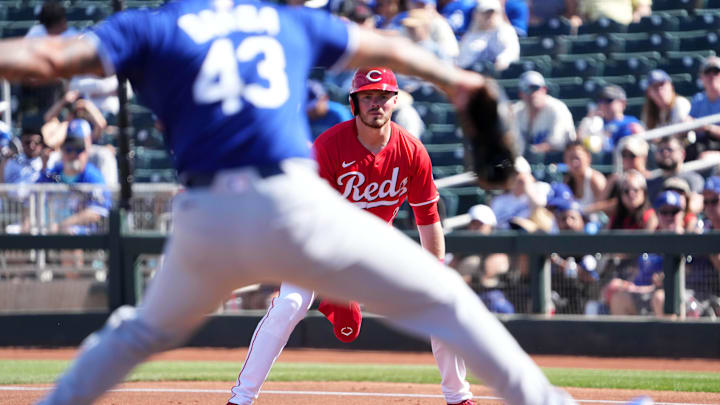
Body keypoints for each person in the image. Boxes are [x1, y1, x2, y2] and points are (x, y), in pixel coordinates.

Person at [0, 2, 583, 404]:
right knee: (445, 298)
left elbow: (48, 61)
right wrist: (460, 81)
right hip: (288, 202)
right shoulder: (282, 20)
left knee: (140, 332)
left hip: (206, 216)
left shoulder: (154, 25)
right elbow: (380, 44)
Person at [229, 67, 475, 405]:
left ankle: (459, 397)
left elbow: (428, 218)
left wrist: (436, 270)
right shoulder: (329, 146)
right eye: (368, 97)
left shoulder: (411, 150)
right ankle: (241, 398)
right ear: (353, 103)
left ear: (395, 101)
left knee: (442, 300)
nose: (376, 104)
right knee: (289, 304)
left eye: (384, 97)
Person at [513, 71, 576, 155]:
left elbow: (556, 145)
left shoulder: (557, 108)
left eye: (535, 88)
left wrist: (531, 150)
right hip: (529, 158)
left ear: (544, 90)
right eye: (526, 89)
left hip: (559, 159)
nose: (531, 93)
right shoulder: (517, 111)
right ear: (520, 94)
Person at [457, 0, 519, 72]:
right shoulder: (471, 34)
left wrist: (501, 61)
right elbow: (462, 61)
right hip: (473, 75)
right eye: (485, 13)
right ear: (477, 14)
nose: (489, 16)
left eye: (492, 13)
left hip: (500, 75)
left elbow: (511, 52)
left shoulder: (505, 30)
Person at [645, 136, 704, 204]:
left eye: (670, 149)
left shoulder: (694, 180)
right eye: (661, 150)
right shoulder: (651, 184)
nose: (665, 153)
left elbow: (696, 205)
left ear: (682, 153)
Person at [688, 56, 720, 161]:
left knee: (704, 158)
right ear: (701, 77)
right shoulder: (698, 99)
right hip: (702, 146)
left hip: (713, 151)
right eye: (707, 72)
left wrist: (708, 128)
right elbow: (688, 122)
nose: (712, 76)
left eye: (716, 72)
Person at [596, 84, 644, 152]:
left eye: (608, 100)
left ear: (622, 103)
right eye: (600, 100)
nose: (603, 104)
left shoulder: (631, 123)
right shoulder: (595, 124)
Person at [563, 141, 606, 210]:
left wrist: (584, 211)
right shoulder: (567, 181)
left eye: (577, 158)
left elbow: (606, 207)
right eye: (570, 159)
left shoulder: (595, 179)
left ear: (588, 158)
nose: (574, 163)